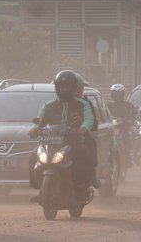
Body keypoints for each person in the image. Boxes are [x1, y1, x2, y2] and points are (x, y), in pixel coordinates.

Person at [28, 70, 95, 201]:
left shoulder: (83, 104)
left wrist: (83, 128)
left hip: (73, 142)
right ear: (56, 87)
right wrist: (34, 129)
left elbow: (89, 119)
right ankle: (41, 189)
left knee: (85, 155)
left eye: (67, 86)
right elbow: (39, 121)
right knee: (32, 156)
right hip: (50, 142)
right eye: (61, 86)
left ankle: (82, 185)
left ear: (73, 87)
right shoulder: (48, 106)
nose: (64, 89)